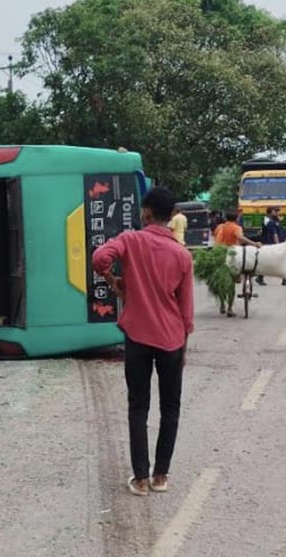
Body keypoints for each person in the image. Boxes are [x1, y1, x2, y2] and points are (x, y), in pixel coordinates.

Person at [92, 187, 194, 497]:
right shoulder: (181, 254)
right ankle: (160, 475)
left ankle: (139, 478)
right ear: (171, 216)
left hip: (137, 336)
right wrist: (184, 345)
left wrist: (114, 282)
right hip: (172, 339)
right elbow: (186, 308)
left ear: (147, 213)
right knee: (171, 407)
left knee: (138, 407)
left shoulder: (131, 240)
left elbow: (99, 258)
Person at [213, 210, 261, 317]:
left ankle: (222, 305)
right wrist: (254, 243)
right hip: (233, 255)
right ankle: (229, 309)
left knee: (222, 282)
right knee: (231, 285)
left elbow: (215, 238)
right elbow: (240, 238)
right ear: (237, 218)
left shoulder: (220, 227)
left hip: (219, 254)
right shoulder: (236, 228)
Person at [256, 208, 286, 286]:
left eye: (278, 211)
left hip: (272, 244)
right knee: (283, 260)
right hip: (272, 245)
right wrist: (278, 246)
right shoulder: (270, 222)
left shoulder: (274, 221)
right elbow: (274, 234)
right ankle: (285, 280)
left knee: (267, 261)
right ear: (271, 212)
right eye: (276, 211)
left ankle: (260, 277)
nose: (277, 213)